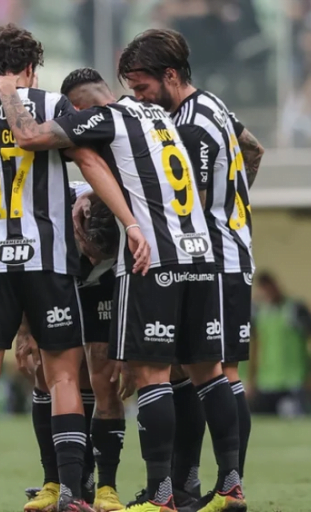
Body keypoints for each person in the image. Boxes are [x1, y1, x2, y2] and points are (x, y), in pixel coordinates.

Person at [0, 60, 247, 511]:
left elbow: (29, 137)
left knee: (150, 376)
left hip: (153, 256)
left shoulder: (105, 118)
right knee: (209, 372)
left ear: (80, 111)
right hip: (203, 251)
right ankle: (230, 487)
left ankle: (161, 497)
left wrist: (7, 89)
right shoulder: (164, 117)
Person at [0, 24, 147, 512]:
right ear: (31, 68)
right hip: (49, 262)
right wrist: (130, 221)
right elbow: (91, 164)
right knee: (66, 377)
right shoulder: (52, 106)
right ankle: (72, 494)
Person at [118, 28, 265, 509]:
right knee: (197, 367)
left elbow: (193, 204)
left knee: (215, 369)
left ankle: (227, 484)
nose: (140, 99)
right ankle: (200, 484)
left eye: (142, 88)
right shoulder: (215, 106)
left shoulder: (192, 125)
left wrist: (222, 214)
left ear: (171, 75)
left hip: (214, 258)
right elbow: (254, 149)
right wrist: (237, 202)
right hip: (228, 250)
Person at [19, 181, 126, 512]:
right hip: (57, 275)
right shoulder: (48, 211)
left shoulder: (130, 216)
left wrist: (127, 344)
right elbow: (25, 263)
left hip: (109, 286)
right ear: (79, 222)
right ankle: (54, 482)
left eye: (102, 252)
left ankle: (106, 487)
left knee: (104, 377)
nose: (95, 257)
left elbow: (140, 279)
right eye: (91, 247)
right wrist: (25, 329)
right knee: (45, 371)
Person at [249, 272, 311, 417]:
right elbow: (256, 346)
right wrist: (253, 378)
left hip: (293, 380)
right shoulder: (260, 312)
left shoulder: (295, 309)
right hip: (267, 381)